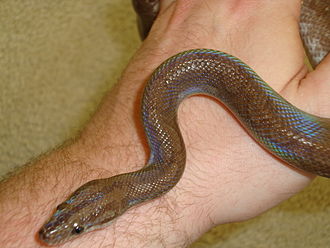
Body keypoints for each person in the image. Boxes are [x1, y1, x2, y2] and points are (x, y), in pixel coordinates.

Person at [1, 0, 329, 247]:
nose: (53, 232)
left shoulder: (175, 86)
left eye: (76, 228)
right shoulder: (171, 92)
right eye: (79, 228)